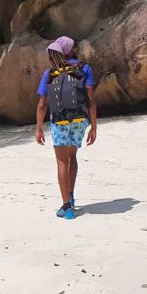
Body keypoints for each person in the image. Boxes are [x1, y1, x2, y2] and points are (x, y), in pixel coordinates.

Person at [34, 36, 98, 220]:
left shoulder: (50, 73)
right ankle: (70, 195)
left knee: (62, 162)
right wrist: (93, 126)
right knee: (72, 156)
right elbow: (91, 100)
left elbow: (41, 104)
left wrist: (38, 128)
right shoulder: (84, 69)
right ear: (72, 50)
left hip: (59, 121)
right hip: (80, 121)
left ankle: (67, 207)